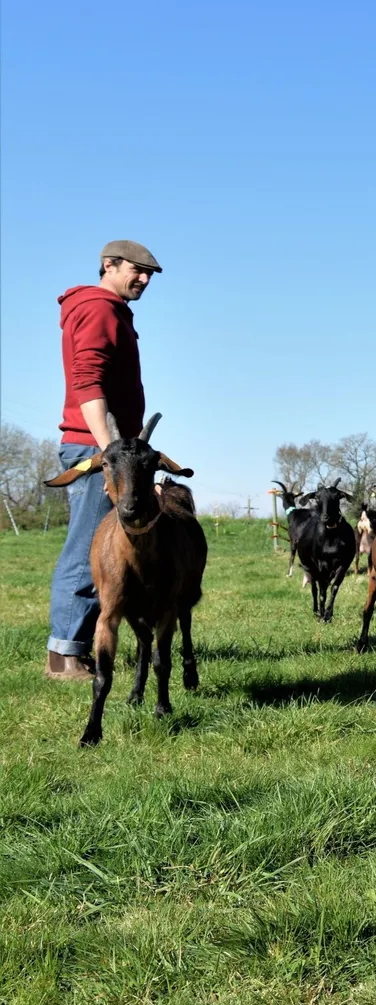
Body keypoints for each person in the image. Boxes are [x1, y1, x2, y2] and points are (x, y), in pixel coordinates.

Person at [45, 240, 160, 680]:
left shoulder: (110, 311)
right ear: (108, 265)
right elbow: (87, 381)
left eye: (151, 275)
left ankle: (82, 647)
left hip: (109, 450)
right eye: (137, 270)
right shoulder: (97, 308)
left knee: (107, 547)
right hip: (98, 451)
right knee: (88, 549)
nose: (145, 280)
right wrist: (111, 452)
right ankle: (65, 656)